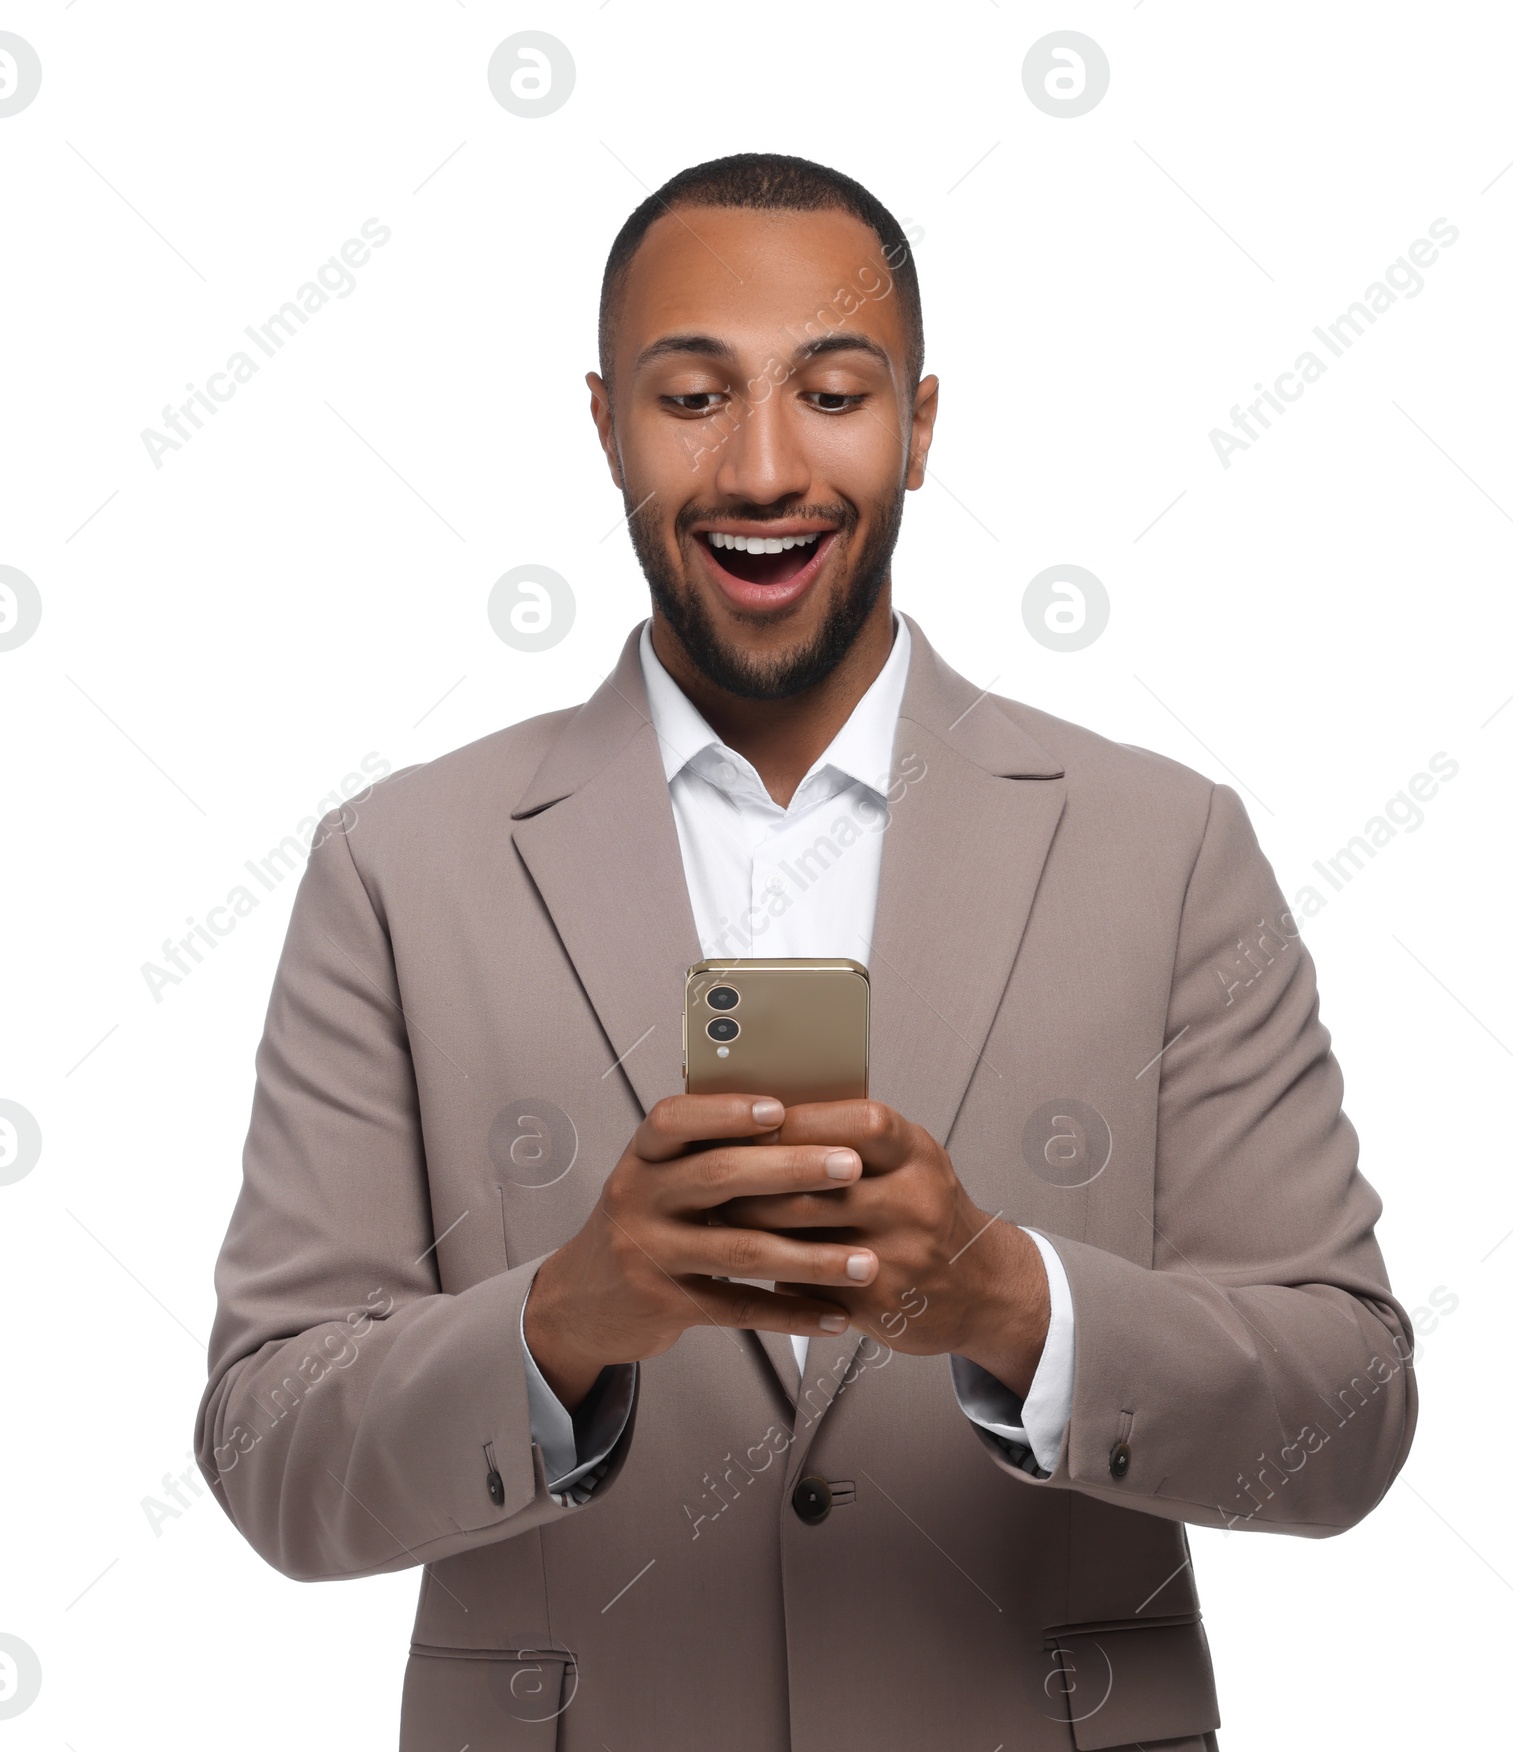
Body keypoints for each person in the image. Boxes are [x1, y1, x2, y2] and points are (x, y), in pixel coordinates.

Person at [196, 152, 1418, 1752]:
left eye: (831, 393)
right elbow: (271, 1446)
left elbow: (1347, 1419)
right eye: (692, 396)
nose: (763, 468)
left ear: (917, 424)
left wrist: (1009, 1303)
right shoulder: (399, 866)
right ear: (604, 427)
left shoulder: (1166, 845)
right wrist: (566, 1319)